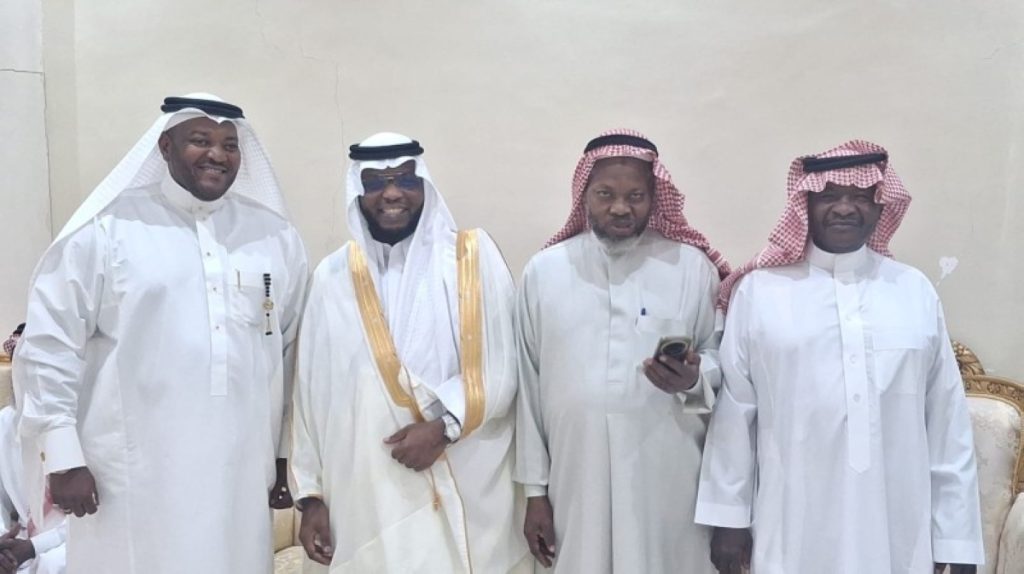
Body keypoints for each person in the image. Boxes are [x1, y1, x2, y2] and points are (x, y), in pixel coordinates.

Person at [14, 94, 308, 573]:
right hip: (130, 474)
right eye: (200, 140)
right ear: (165, 146)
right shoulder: (107, 229)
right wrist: (63, 457)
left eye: (230, 144)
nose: (217, 154)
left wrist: (283, 458)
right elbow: (51, 343)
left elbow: (291, 354)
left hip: (240, 470)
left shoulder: (273, 237)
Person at [695, 140, 984, 574]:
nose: (845, 208)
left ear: (881, 204)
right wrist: (728, 520)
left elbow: (946, 420)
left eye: (860, 196)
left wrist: (957, 539)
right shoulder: (759, 292)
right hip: (790, 523)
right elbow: (735, 412)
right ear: (805, 205)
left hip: (897, 527)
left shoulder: (913, 291)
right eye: (829, 195)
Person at [290, 132, 530, 573]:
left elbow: (502, 368)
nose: (392, 194)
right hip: (364, 490)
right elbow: (310, 394)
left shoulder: (471, 259)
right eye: (375, 182)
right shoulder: (331, 276)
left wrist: (443, 429)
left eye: (404, 179)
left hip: (462, 471)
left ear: (424, 185)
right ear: (357, 191)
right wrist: (311, 496)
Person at [514, 129, 730, 573]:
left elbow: (720, 360)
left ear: (654, 198)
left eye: (635, 196)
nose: (619, 207)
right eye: (605, 194)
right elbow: (528, 386)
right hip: (575, 475)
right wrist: (535, 492)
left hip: (668, 474)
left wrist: (694, 379)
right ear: (584, 195)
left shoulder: (691, 267)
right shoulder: (544, 273)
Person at [0, 325, 66, 574]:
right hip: (17, 544)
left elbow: (97, 519)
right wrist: (3, 543)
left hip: (67, 545)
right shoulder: (5, 422)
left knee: (53, 565)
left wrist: (32, 547)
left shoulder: (82, 430)